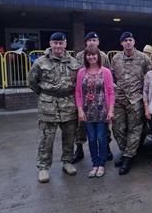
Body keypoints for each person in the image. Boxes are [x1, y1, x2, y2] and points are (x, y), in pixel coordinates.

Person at [28, 32, 81, 183]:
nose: (58, 46)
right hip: (48, 106)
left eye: (61, 43)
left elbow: (77, 82)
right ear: (50, 44)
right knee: (47, 138)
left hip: (68, 105)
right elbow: (32, 81)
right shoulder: (40, 62)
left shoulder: (73, 62)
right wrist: (46, 95)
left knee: (69, 135)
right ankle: (43, 167)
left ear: (65, 44)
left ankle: (67, 162)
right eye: (55, 43)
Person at [111, 31, 152, 175]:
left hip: (136, 99)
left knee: (135, 129)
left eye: (130, 40)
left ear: (134, 42)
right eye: (125, 40)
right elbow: (111, 76)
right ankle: (126, 152)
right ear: (122, 43)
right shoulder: (116, 59)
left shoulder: (143, 58)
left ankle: (128, 158)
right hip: (119, 99)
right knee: (117, 128)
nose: (128, 42)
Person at [72, 32, 113, 164]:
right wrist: (80, 109)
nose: (91, 42)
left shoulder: (104, 59)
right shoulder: (79, 58)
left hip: (102, 107)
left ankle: (104, 153)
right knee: (88, 136)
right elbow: (78, 87)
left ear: (98, 42)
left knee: (102, 136)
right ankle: (81, 151)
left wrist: (111, 108)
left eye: (94, 40)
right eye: (89, 40)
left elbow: (109, 86)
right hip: (86, 107)